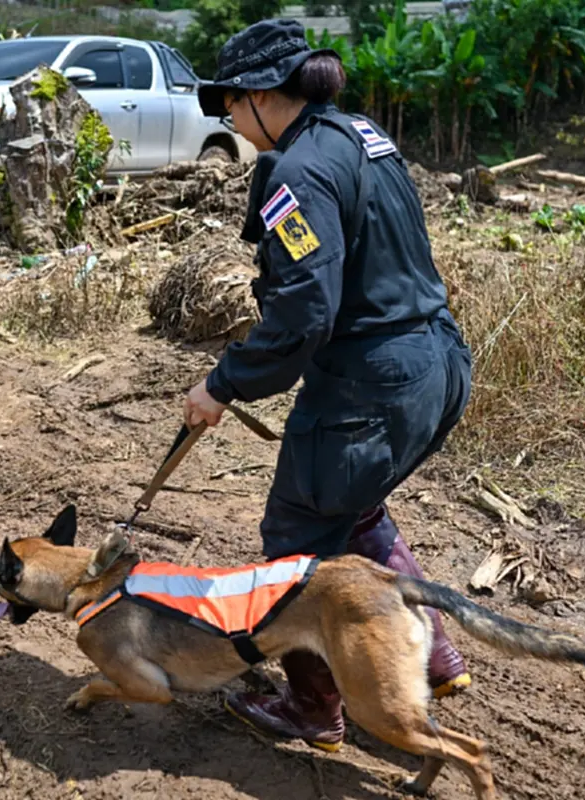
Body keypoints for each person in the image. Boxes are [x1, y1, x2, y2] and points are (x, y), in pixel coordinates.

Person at [186, 19, 474, 753]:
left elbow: (304, 308)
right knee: (350, 502)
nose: (228, 122)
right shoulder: (358, 134)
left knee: (297, 535)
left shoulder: (299, 171)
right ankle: (433, 658)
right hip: (437, 362)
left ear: (258, 96)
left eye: (228, 106)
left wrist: (224, 384)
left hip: (372, 381)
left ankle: (314, 708)